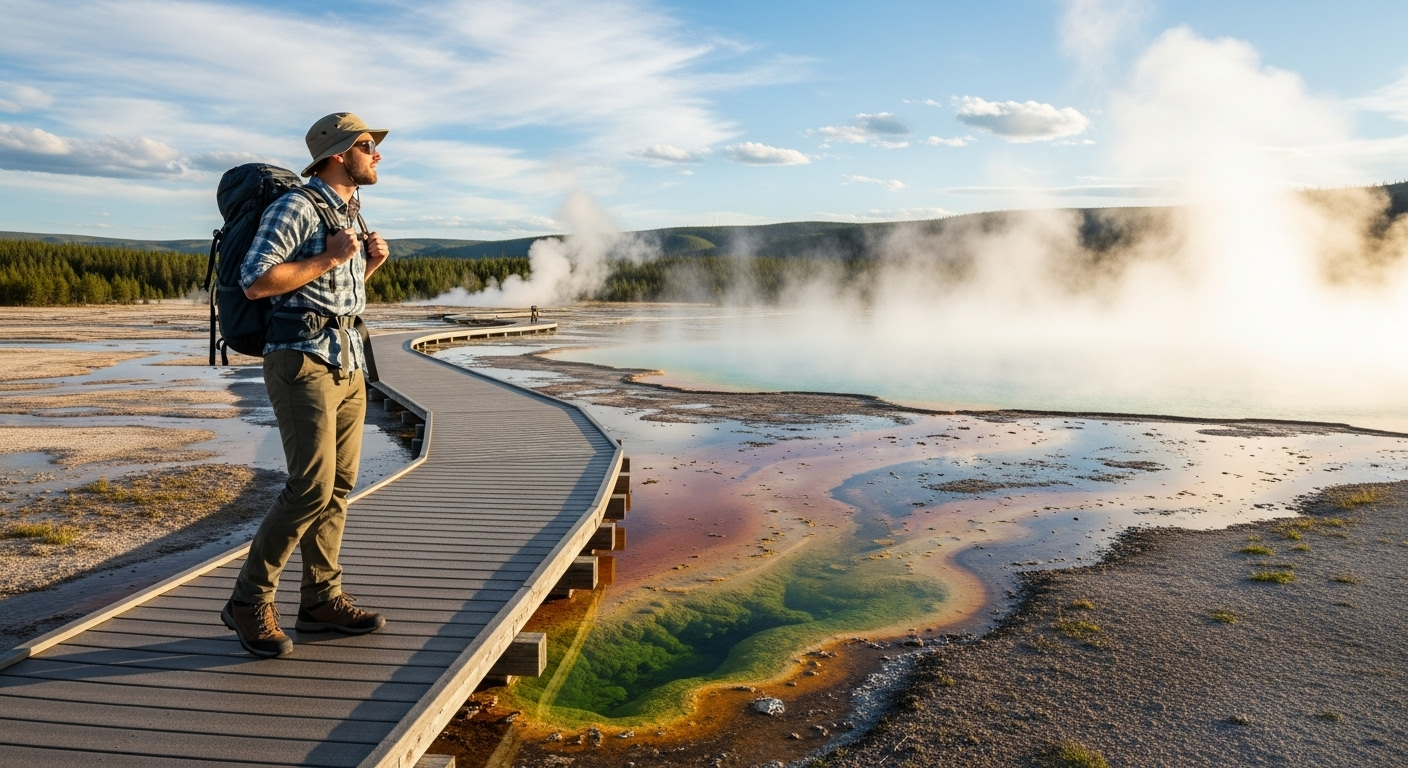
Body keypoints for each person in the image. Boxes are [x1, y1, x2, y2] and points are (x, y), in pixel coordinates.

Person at [221, 112, 392, 658]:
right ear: (339, 153)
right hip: (303, 361)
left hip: (347, 361)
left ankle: (321, 599)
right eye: (368, 146)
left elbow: (327, 293)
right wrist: (330, 256)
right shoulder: (296, 205)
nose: (378, 155)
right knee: (311, 486)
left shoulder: (349, 210)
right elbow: (255, 281)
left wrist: (367, 267)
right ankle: (248, 600)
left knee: (339, 487)